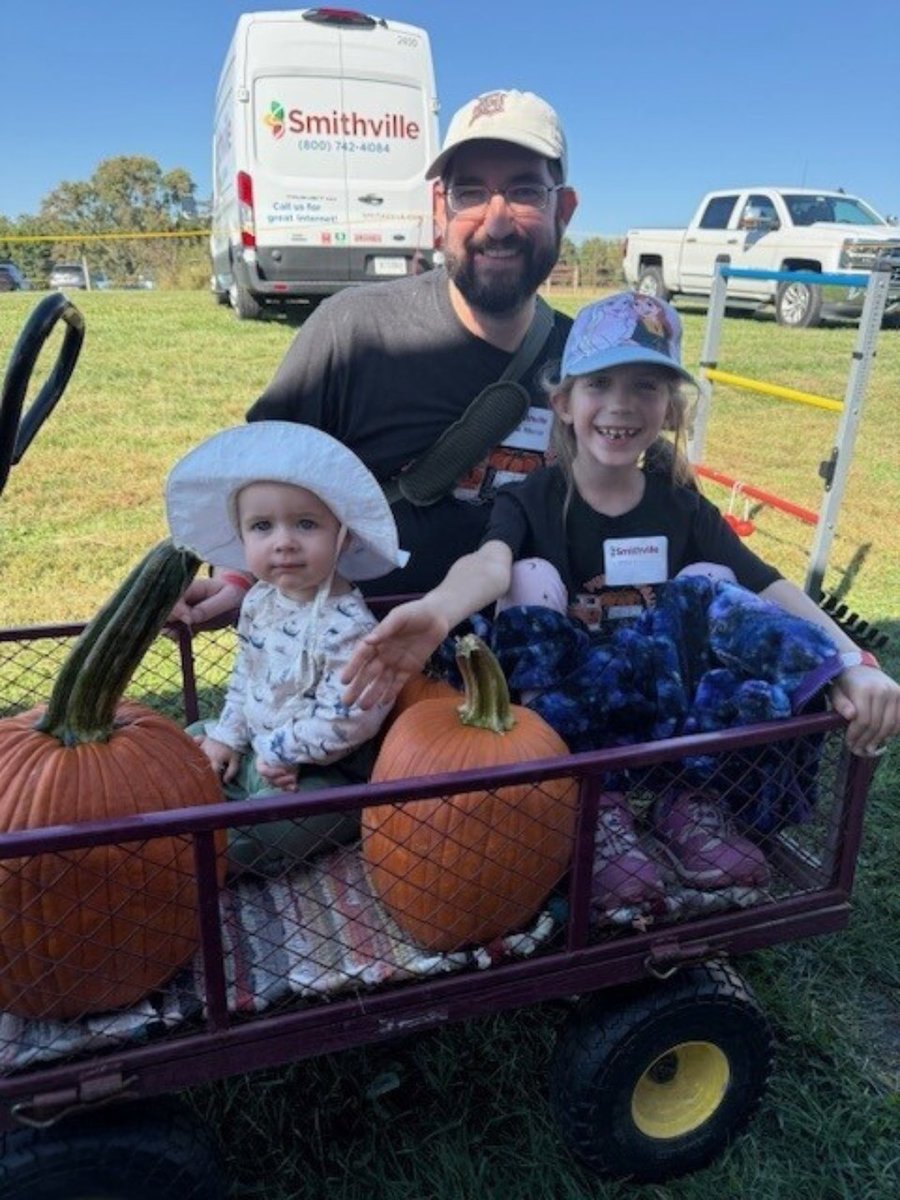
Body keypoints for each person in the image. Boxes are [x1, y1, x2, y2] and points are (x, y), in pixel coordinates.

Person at [341, 291, 900, 911]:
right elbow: (490, 564)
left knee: (714, 580)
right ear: (564, 401)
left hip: (665, 705)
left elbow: (770, 583)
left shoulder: (682, 506)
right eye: (600, 383)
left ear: (669, 408)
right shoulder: (531, 500)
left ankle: (689, 803)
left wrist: (851, 660)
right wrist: (441, 610)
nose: (621, 405)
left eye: (646, 386)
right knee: (527, 575)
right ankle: (593, 805)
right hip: (574, 707)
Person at [172, 88, 583, 626]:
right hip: (353, 659)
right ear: (440, 208)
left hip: (529, 668)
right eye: (470, 192)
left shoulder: (588, 362)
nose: (497, 221)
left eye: (526, 191)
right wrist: (234, 579)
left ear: (564, 211)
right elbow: (265, 478)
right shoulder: (354, 331)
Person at [165, 421, 408, 873]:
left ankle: (203, 857)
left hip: (324, 773)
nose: (283, 542)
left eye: (306, 524)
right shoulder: (259, 601)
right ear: (241, 539)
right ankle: (180, 814)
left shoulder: (352, 627)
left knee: (267, 830)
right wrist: (229, 737)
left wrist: (281, 752)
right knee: (193, 739)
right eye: (262, 526)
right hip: (260, 749)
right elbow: (246, 678)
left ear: (345, 535)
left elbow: (350, 721)